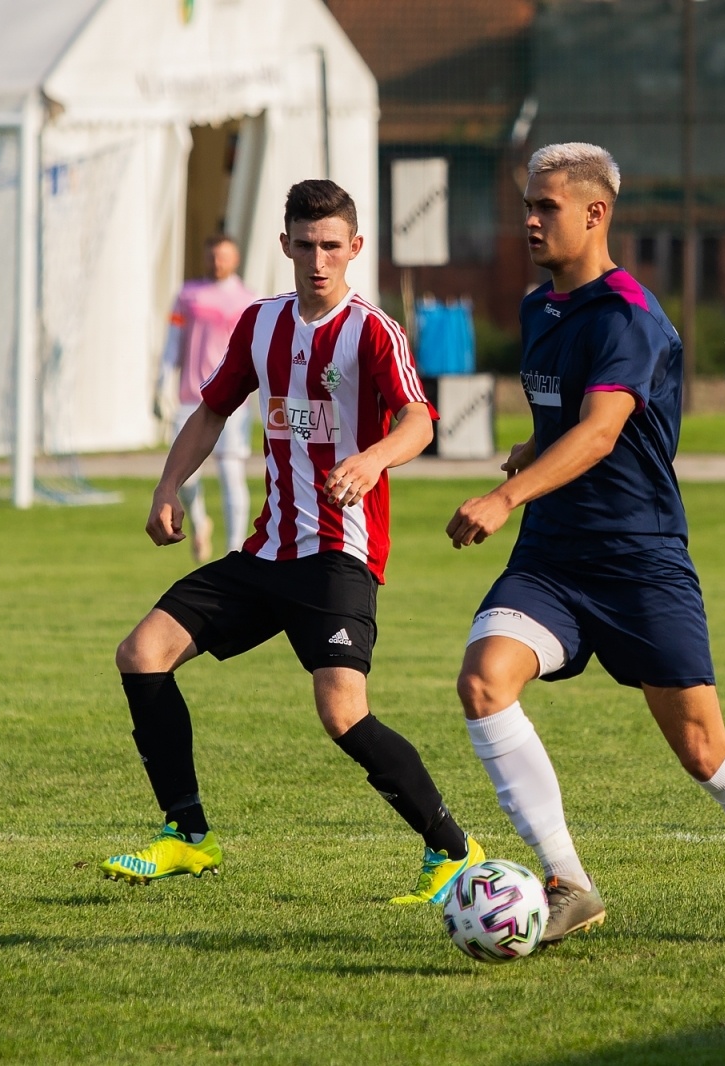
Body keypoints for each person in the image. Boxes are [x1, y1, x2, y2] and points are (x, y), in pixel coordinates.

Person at [445, 143, 725, 948]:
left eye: (546, 206)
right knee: (484, 680)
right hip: (552, 559)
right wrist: (527, 450)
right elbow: (566, 424)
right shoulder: (537, 309)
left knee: (701, 748)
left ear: (596, 213)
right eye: (528, 204)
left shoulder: (629, 316)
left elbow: (602, 428)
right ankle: (568, 882)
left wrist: (505, 493)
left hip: (638, 559)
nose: (529, 219)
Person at [98, 179, 483, 904]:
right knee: (142, 654)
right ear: (284, 245)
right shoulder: (260, 324)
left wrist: (371, 461)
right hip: (266, 554)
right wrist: (167, 487)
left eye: (331, 246)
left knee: (342, 713)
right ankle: (187, 837)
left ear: (355, 249)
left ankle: (453, 850)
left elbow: (419, 422)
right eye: (304, 246)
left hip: (340, 555)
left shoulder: (373, 331)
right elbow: (212, 410)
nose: (318, 260)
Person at [157, 234, 257, 562]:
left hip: (233, 402)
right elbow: (173, 342)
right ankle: (199, 523)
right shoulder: (188, 296)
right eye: (213, 257)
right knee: (183, 475)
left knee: (231, 474)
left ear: (235, 260)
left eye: (224, 257)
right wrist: (161, 383)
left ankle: (234, 551)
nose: (218, 263)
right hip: (191, 397)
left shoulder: (249, 301)